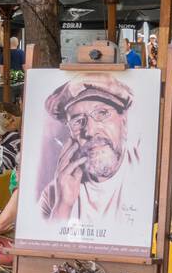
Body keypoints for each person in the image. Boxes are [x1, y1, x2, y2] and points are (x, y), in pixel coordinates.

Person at [37, 74, 149, 227]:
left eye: (102, 113)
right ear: (70, 133)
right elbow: (43, 246)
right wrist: (63, 205)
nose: (90, 131)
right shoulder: (53, 194)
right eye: (78, 121)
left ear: (124, 121)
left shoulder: (146, 173)